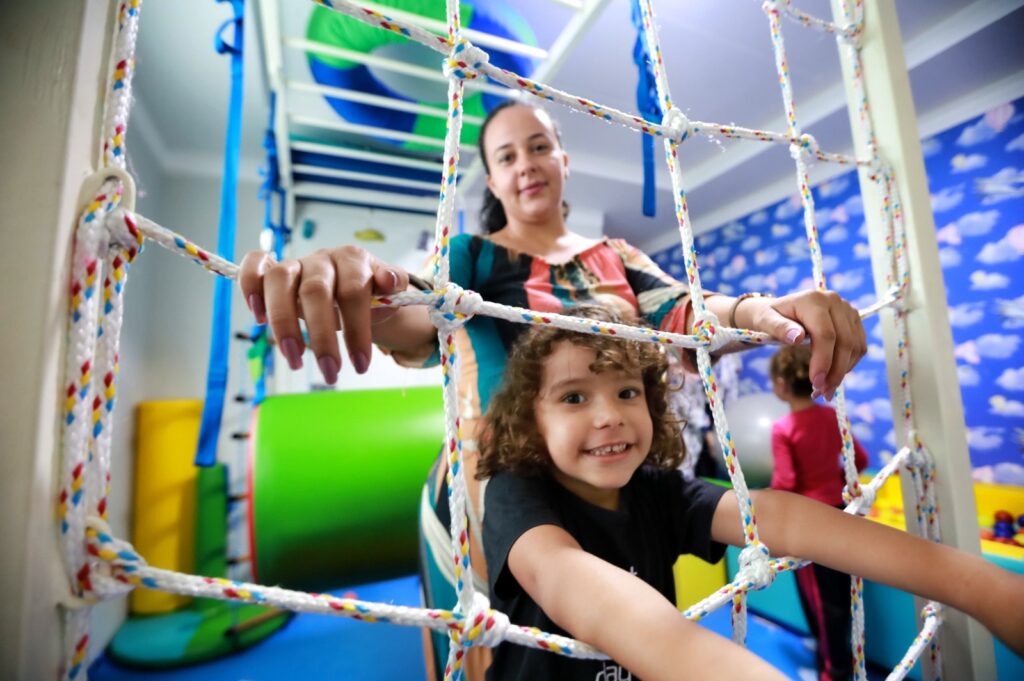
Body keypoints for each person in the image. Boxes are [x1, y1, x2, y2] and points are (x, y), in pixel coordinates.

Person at [238, 100, 868, 679]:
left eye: (539, 147)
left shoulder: (613, 257)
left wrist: (762, 311)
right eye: (506, 157)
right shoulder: (473, 260)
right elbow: (412, 312)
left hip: (609, 481)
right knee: (488, 652)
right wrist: (362, 291)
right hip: (495, 493)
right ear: (491, 180)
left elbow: (685, 311)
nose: (526, 166)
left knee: (624, 648)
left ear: (564, 159)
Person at [477, 306, 1024, 681]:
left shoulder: (654, 489)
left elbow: (777, 518)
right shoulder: (516, 494)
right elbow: (568, 579)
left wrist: (980, 588)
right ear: (531, 421)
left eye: (626, 392)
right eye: (574, 398)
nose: (609, 417)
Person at [769, 344, 870, 681]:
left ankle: (834, 669)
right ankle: (844, 660)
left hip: (810, 522)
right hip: (842, 513)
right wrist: (836, 482)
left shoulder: (783, 428)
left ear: (781, 384)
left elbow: (786, 480)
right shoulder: (830, 415)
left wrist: (765, 502)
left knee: (821, 600)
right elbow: (862, 460)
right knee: (841, 593)